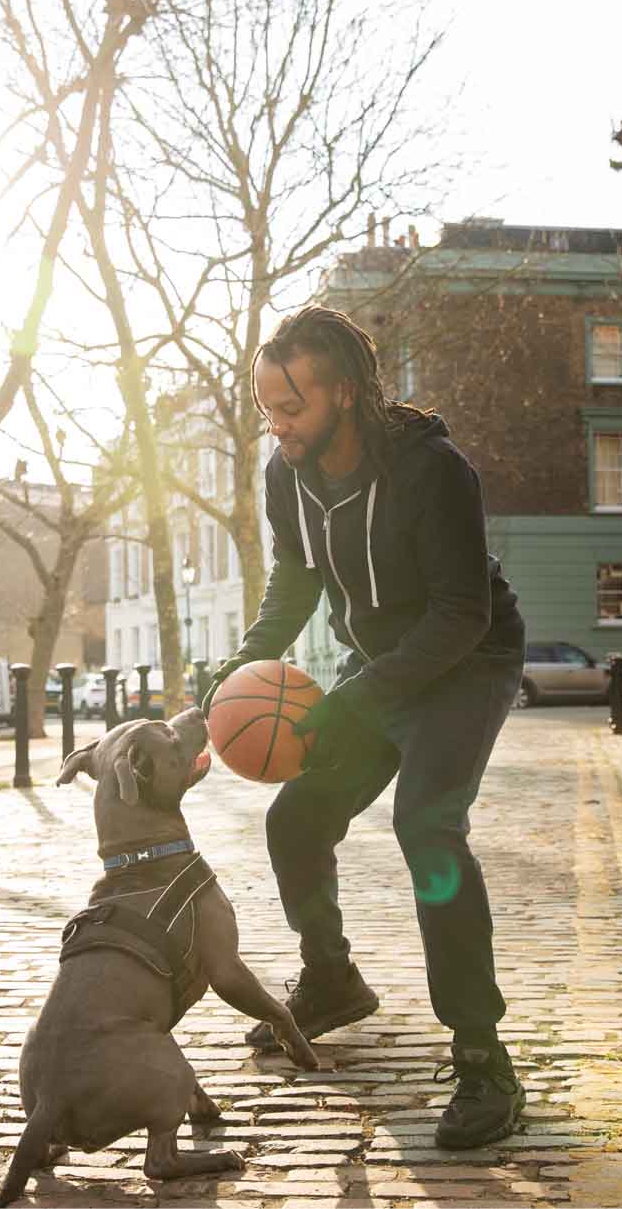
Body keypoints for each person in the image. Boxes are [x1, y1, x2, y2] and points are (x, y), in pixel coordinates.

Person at [202, 304, 527, 1149]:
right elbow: (295, 584)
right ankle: (332, 978)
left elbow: (460, 617)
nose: (277, 423)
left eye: (292, 405)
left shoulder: (434, 472)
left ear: (344, 393)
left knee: (428, 827)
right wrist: (238, 673)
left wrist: (356, 696)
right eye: (267, 406)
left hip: (467, 662)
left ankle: (484, 1060)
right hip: (379, 667)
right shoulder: (287, 476)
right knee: (297, 816)